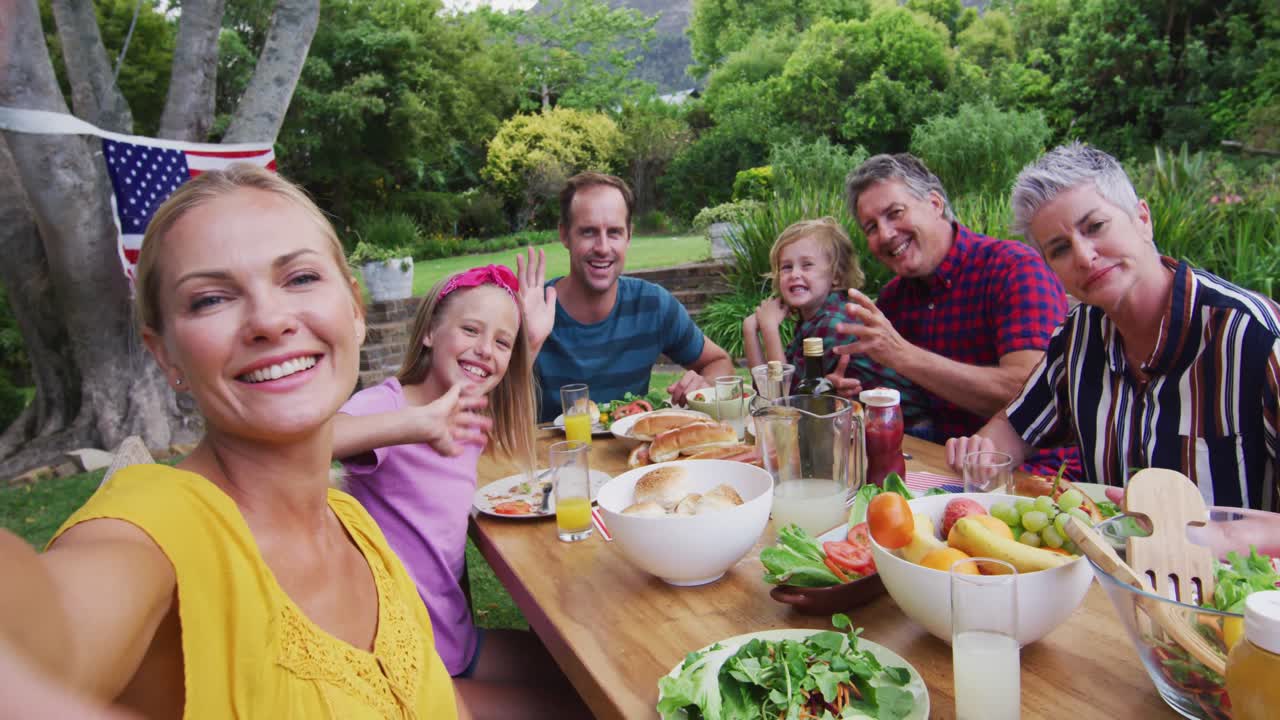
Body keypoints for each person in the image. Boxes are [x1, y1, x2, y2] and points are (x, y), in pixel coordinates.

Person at [0, 165, 467, 717]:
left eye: (299, 278)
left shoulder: (358, 528)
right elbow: (46, 635)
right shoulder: (155, 531)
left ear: (356, 311)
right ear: (165, 353)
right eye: (210, 299)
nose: (269, 320)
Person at [946, 143, 1280, 510]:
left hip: (1231, 566)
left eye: (1096, 227)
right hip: (1106, 561)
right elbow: (1015, 428)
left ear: (1142, 219)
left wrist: (1219, 539)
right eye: (1059, 249)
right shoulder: (1079, 336)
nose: (1084, 257)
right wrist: (981, 452)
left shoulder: (1253, 335)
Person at [332, 260, 590, 719]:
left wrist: (528, 341)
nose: (485, 350)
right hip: (407, 666)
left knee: (585, 671)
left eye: (500, 341)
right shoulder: (388, 406)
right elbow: (321, 437)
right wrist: (418, 423)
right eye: (470, 329)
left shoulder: (468, 406)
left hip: (453, 638)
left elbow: (490, 368)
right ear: (430, 331)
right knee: (579, 709)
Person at [831, 153, 1079, 478]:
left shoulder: (1013, 268)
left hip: (1036, 477)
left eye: (895, 213)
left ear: (935, 204)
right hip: (942, 467)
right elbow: (902, 398)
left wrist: (902, 355)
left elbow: (1032, 395)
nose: (886, 234)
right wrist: (854, 394)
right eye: (871, 227)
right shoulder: (895, 298)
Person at [532, 172, 736, 421]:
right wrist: (528, 345)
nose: (603, 247)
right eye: (588, 232)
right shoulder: (534, 310)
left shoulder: (652, 305)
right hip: (553, 458)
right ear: (565, 235)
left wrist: (704, 384)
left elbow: (719, 362)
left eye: (615, 232)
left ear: (629, 235)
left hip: (632, 456)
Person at [742, 217, 926, 425]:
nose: (794, 274)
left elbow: (788, 405)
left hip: (907, 428)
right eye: (786, 267)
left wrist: (769, 330)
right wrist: (749, 330)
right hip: (868, 423)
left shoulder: (833, 323)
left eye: (807, 265)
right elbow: (766, 395)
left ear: (836, 276)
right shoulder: (812, 320)